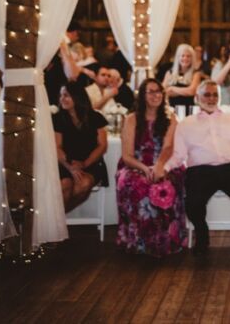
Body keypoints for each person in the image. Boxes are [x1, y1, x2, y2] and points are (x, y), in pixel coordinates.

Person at [156, 78, 230, 264]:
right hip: (200, 171)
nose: (211, 99)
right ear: (197, 97)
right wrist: (164, 168)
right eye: (207, 95)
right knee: (193, 204)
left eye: (214, 95)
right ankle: (202, 236)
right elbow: (178, 154)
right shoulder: (186, 124)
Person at [115, 78, 184, 257]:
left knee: (167, 184)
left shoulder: (171, 118)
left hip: (163, 162)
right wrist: (145, 169)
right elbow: (127, 155)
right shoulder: (131, 119)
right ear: (143, 96)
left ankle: (165, 241)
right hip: (136, 163)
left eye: (158, 91)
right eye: (151, 92)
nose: (156, 95)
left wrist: (159, 166)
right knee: (133, 183)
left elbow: (168, 147)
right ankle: (137, 241)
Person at [55, 78, 108, 211]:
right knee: (65, 185)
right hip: (65, 162)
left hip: (91, 162)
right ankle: (58, 220)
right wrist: (71, 167)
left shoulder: (95, 117)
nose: (62, 99)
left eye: (66, 95)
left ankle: (58, 217)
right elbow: (57, 147)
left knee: (83, 184)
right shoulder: (57, 118)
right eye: (61, 95)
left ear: (77, 96)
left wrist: (84, 164)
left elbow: (102, 146)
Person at [161, 42, 203, 111]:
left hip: (188, 109)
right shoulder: (169, 72)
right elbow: (163, 91)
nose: (185, 58)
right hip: (171, 109)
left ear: (192, 58)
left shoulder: (196, 73)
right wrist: (184, 91)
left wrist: (172, 88)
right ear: (178, 57)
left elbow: (191, 91)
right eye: (182, 56)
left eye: (188, 56)